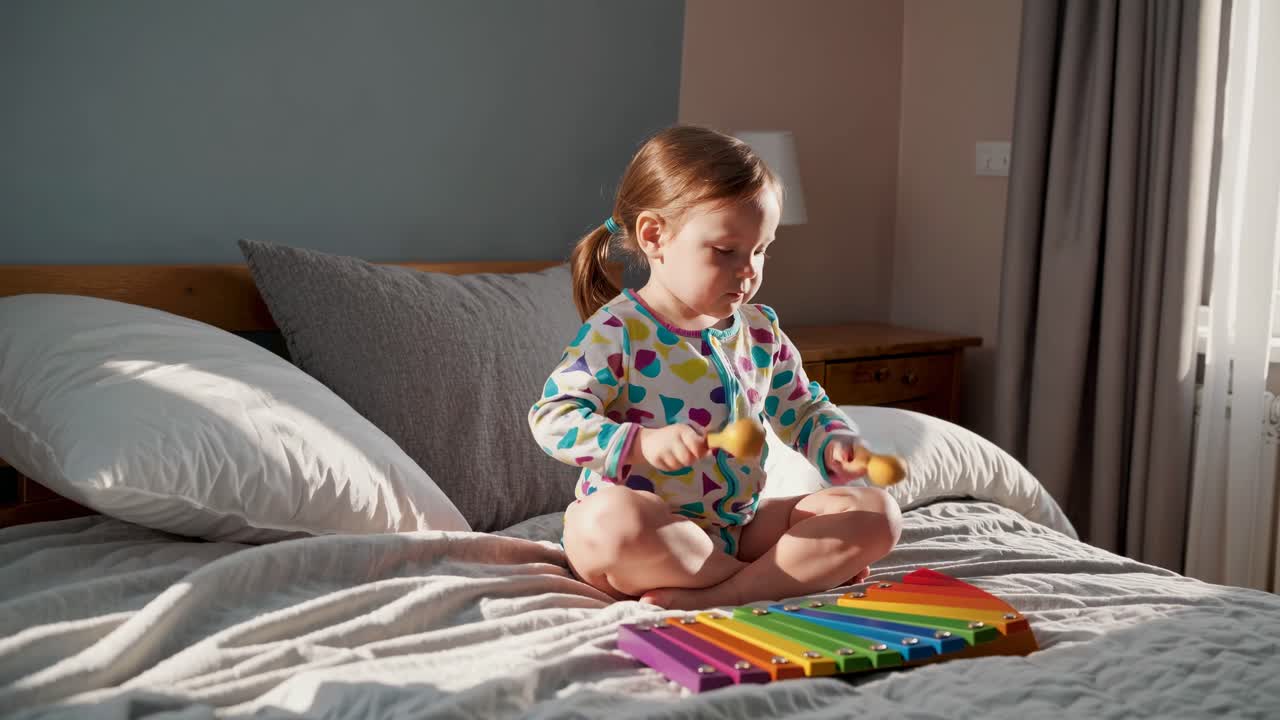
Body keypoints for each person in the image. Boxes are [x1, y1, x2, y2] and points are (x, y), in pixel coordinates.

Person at [529, 126, 901, 610]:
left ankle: (728, 590)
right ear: (654, 236)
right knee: (605, 523)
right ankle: (781, 578)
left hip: (736, 532)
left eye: (761, 250)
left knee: (876, 513)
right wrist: (640, 443)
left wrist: (834, 442)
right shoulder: (619, 331)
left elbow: (804, 409)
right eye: (726, 251)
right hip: (649, 534)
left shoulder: (760, 331)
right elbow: (552, 418)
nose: (749, 270)